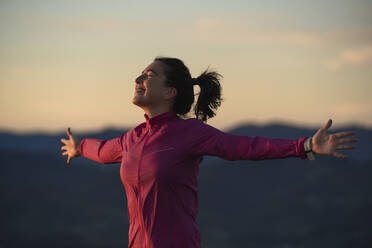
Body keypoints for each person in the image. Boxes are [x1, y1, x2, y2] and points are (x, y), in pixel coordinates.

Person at [60, 56, 358, 248]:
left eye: (148, 75)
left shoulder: (189, 133)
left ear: (170, 92)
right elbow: (101, 151)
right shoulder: (131, 139)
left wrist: (304, 145)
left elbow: (245, 147)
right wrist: (78, 148)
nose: (138, 79)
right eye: (139, 74)